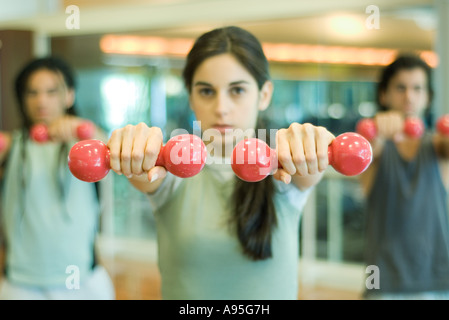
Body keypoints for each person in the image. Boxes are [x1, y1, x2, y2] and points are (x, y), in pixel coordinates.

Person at [106, 26, 337, 300]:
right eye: (206, 91)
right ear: (191, 97)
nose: (221, 108)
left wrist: (317, 144)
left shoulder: (285, 169)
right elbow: (142, 173)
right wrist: (133, 146)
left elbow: (309, 171)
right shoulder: (169, 169)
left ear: (264, 95)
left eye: (237, 90)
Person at [0, 56, 115, 300]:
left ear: (69, 95)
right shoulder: (12, 146)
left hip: (82, 280)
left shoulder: (86, 143)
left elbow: (110, 148)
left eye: (51, 92)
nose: (41, 101)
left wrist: (80, 129)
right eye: (32, 92)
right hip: (21, 283)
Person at [359, 54, 449, 299]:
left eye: (417, 88)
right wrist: (377, 131)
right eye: (401, 88)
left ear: (428, 97)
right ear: (383, 95)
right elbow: (366, 149)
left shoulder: (439, 146)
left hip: (437, 280)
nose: (409, 96)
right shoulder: (373, 148)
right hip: (383, 282)